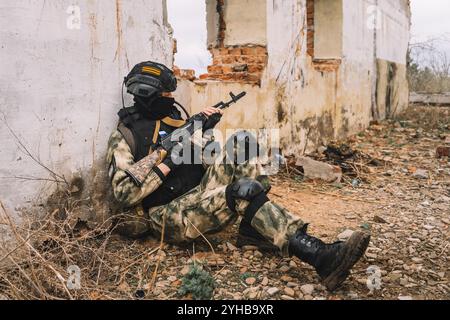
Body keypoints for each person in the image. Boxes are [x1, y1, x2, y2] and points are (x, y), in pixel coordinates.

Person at [106, 61, 370, 291]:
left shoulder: (174, 120)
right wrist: (168, 161)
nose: (170, 98)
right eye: (165, 93)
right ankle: (321, 257)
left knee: (243, 142)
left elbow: (207, 161)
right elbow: (123, 193)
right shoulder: (125, 135)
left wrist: (200, 131)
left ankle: (251, 229)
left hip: (196, 194)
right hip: (165, 215)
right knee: (241, 191)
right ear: (147, 94)